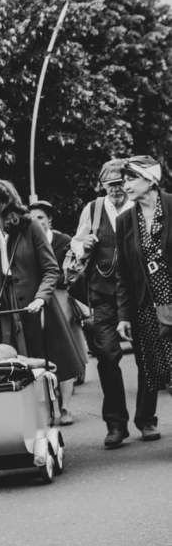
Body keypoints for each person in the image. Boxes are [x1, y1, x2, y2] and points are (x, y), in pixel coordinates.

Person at [0, 178, 81, 387]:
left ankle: (62, 407)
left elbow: (51, 269)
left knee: (53, 359)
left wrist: (41, 298)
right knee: (15, 362)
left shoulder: (29, 226)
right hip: (7, 306)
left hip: (36, 302)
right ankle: (33, 410)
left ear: (3, 202)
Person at [70, 160, 133, 448]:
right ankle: (116, 423)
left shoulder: (137, 205)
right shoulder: (93, 209)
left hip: (137, 294)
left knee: (148, 357)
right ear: (102, 186)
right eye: (111, 186)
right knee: (107, 357)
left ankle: (146, 418)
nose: (117, 190)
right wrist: (86, 244)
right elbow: (76, 243)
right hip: (102, 294)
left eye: (120, 183)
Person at [114, 156, 171, 444]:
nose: (125, 185)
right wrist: (123, 315)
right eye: (124, 179)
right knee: (151, 367)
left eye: (131, 178)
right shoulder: (125, 220)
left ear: (150, 180)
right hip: (146, 306)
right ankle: (146, 419)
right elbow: (123, 274)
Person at [29, 200, 88, 425]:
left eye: (41, 217)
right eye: (32, 218)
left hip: (62, 299)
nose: (36, 222)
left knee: (65, 355)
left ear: (49, 219)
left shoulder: (63, 241)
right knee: (40, 355)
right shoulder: (26, 241)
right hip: (37, 303)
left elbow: (73, 272)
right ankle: (47, 406)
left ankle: (65, 408)